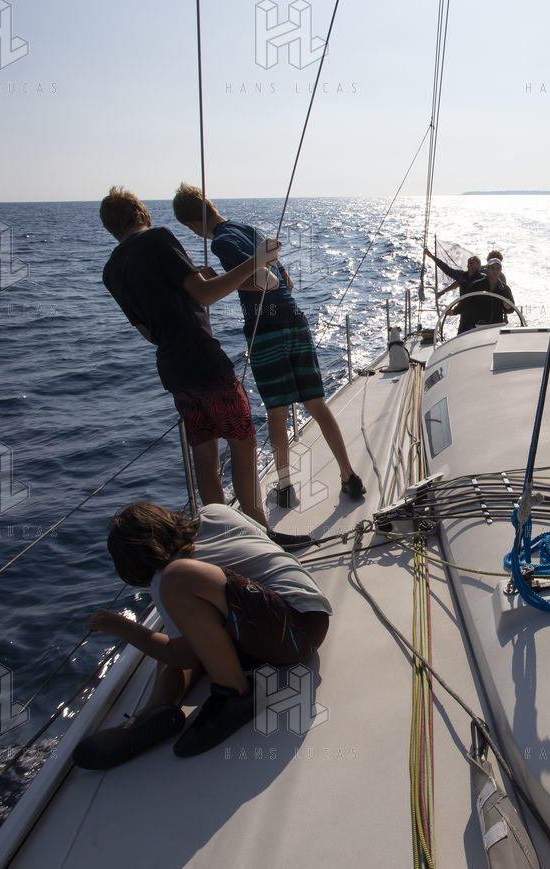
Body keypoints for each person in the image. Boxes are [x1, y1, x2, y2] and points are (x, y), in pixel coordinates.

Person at [76, 501, 332, 765]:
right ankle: (156, 712)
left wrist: (122, 627)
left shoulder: (170, 576)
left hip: (295, 632)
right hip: (307, 615)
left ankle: (235, 695)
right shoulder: (215, 512)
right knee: (184, 629)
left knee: (176, 590)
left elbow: (182, 658)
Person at [171, 184, 365, 506]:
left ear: (192, 225)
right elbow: (285, 281)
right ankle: (349, 476)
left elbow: (264, 281)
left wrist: (212, 282)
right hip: (294, 319)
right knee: (316, 404)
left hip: (265, 328)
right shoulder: (249, 230)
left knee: (276, 412)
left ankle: (286, 488)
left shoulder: (221, 242)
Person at [100, 186, 277, 531]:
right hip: (205, 361)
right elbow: (206, 295)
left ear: (111, 228)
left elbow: (149, 333)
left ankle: (224, 533)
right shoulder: (158, 238)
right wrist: (256, 261)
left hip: (173, 371)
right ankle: (262, 532)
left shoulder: (111, 271)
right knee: (243, 442)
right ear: (142, 214)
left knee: (204, 453)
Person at [456, 258, 515, 334]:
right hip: (478, 327)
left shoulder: (505, 289)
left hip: (496, 327)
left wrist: (508, 307)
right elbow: (465, 302)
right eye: (492, 268)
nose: (495, 271)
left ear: (500, 270)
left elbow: (512, 308)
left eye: (497, 268)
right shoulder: (477, 285)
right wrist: (454, 311)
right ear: (487, 269)